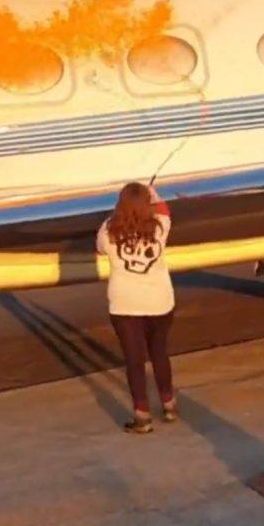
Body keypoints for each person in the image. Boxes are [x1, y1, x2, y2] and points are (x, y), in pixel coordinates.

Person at [96, 181, 177, 433]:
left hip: (125, 304)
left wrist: (119, 214)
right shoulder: (160, 227)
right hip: (160, 301)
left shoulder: (108, 230)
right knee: (159, 352)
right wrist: (152, 192)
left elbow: (99, 250)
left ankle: (142, 415)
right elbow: (163, 209)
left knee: (134, 360)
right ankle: (169, 403)